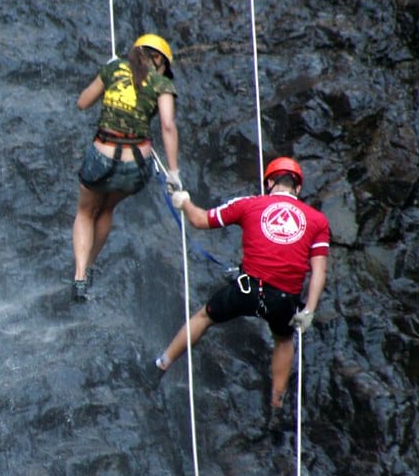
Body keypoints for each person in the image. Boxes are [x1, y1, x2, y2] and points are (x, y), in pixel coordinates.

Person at [154, 157, 330, 434]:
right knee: (284, 339)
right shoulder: (317, 220)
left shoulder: (249, 204)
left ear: (269, 183)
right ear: (297, 188)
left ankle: (161, 366)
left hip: (246, 289)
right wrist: (308, 310)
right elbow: (319, 271)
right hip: (283, 300)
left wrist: (183, 200)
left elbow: (200, 220)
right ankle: (276, 406)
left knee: (204, 316)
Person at [70, 34, 182, 302]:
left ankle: (79, 276)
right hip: (136, 164)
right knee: (107, 208)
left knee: (86, 211)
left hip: (102, 156)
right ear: (161, 62)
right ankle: (91, 266)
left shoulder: (114, 67)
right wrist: (174, 172)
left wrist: (107, 74)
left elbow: (82, 102)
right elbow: (167, 125)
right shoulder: (163, 84)